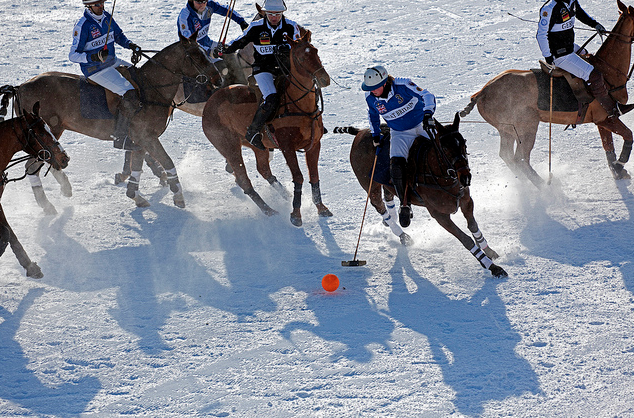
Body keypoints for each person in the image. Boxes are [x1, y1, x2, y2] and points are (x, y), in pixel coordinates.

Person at [214, 0, 301, 151]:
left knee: (305, 86)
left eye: (277, 14)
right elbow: (239, 42)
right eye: (271, 14)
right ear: (265, 13)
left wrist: (287, 52)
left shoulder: (291, 27)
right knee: (271, 97)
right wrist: (223, 50)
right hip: (263, 69)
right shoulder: (256, 27)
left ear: (282, 13)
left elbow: (300, 47)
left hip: (284, 69)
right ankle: (253, 131)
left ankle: (314, 121)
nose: (274, 17)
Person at [362, 65, 436, 228]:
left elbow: (427, 95)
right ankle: (405, 205)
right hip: (399, 132)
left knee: (442, 149)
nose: (372, 91)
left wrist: (428, 113)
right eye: (370, 88)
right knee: (396, 165)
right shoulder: (370, 97)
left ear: (384, 83)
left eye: (375, 88)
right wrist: (375, 134)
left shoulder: (403, 85)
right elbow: (372, 115)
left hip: (421, 125)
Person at [70, 0, 142, 148]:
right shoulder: (83, 25)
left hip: (112, 62)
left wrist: (130, 45)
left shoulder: (107, 17)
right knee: (130, 93)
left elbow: (119, 36)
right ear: (89, 6)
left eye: (102, 3)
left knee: (141, 78)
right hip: (95, 70)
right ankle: (120, 138)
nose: (101, 7)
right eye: (97, 5)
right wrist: (93, 57)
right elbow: (73, 55)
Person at [536, 0, 626, 118]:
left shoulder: (572, 1)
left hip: (570, 47)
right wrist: (548, 57)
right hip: (560, 54)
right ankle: (612, 109)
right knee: (594, 75)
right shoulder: (549, 8)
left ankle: (590, 101)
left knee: (589, 58)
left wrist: (595, 25)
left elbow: (581, 14)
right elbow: (541, 35)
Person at [177, 0, 248, 58]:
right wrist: (209, 52)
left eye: (204, 1)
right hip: (193, 53)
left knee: (230, 54)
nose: (202, 4)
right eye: (199, 1)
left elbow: (226, 10)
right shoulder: (185, 16)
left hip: (207, 43)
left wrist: (241, 21)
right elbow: (189, 43)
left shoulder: (209, 5)